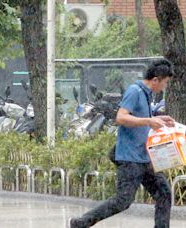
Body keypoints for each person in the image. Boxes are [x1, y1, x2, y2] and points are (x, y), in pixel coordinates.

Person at [68, 59, 175, 228]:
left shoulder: (147, 94)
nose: (165, 87)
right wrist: (148, 121)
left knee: (164, 194)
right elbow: (121, 117)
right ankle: (81, 223)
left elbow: (139, 117)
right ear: (156, 80)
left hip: (144, 157)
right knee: (123, 200)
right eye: (165, 83)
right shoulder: (135, 91)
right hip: (130, 158)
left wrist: (156, 119)